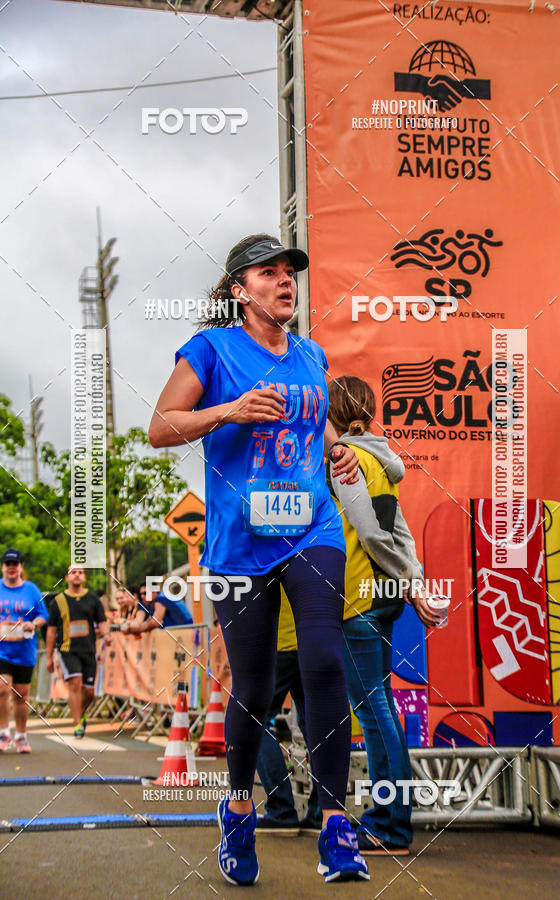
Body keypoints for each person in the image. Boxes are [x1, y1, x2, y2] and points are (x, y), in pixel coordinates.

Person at [148, 233, 369, 885]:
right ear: (241, 291)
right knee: (252, 686)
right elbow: (161, 425)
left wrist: (337, 448)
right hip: (242, 541)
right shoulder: (213, 350)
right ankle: (239, 810)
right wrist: (232, 410)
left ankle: (335, 826)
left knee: (324, 660)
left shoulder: (310, 354)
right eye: (269, 273)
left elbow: (316, 417)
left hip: (311, 528)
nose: (285, 281)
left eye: (291, 272)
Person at [326, 376, 438, 856]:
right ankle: (389, 820)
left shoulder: (345, 460)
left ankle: (391, 826)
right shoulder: (380, 459)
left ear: (328, 415)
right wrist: (412, 583)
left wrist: (413, 584)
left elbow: (372, 536)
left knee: (374, 715)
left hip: (359, 600)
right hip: (382, 597)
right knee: (382, 710)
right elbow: (402, 533)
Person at [255, 590, 321, 835]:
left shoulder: (266, 551)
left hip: (279, 640)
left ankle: (282, 810)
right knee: (314, 724)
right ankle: (320, 813)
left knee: (254, 722)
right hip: (313, 639)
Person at [46, 566, 112, 738]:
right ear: (67, 577)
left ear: (84, 577)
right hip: (67, 649)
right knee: (75, 683)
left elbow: (102, 622)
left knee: (89, 692)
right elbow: (51, 630)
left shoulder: (93, 599)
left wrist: (106, 635)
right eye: (73, 572)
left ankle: (80, 712)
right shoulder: (58, 601)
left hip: (89, 650)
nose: (77, 575)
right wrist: (48, 657)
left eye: (80, 572)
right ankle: (77, 725)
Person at [0, 548, 48, 753]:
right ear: (3, 567)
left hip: (24, 650)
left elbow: (43, 615)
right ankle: (3, 733)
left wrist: (33, 624)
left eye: (15, 564)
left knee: (21, 695)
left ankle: (21, 736)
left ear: (21, 567)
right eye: (8, 564)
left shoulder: (31, 590)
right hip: (2, 650)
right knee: (2, 690)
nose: (11, 568)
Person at [122, 583, 192, 634]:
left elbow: (155, 622)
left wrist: (137, 628)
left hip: (188, 632)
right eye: (141, 594)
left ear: (155, 592)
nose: (142, 596)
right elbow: (149, 621)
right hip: (183, 632)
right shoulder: (154, 604)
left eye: (145, 593)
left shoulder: (160, 599)